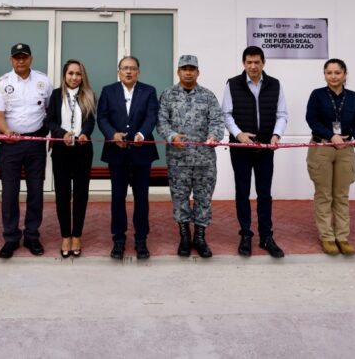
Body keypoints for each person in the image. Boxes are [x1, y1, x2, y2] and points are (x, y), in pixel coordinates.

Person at [221, 46, 288, 258]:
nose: (253, 66)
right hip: (241, 148)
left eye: (257, 62)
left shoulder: (275, 84)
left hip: (266, 147)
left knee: (264, 193)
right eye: (249, 62)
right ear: (243, 63)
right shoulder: (232, 84)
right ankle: (245, 235)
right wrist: (239, 134)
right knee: (242, 192)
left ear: (263, 63)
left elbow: (282, 114)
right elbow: (226, 114)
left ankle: (266, 236)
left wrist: (276, 135)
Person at [157, 55, 226, 258]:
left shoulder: (208, 96)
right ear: (178, 72)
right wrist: (172, 136)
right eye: (184, 69)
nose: (188, 72)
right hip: (178, 159)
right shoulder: (168, 95)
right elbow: (161, 122)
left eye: (192, 69)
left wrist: (214, 136)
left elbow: (217, 121)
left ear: (198, 72)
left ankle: (200, 237)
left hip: (205, 159)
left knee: (203, 199)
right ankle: (185, 237)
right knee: (180, 198)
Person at [0, 43, 52, 259]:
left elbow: (49, 110)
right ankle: (11, 237)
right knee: (9, 192)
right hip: (10, 145)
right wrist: (6, 132)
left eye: (24, 57)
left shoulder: (43, 81)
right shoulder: (2, 83)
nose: (21, 60)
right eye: (17, 57)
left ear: (31, 59)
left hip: (35, 143)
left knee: (36, 191)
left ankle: (32, 235)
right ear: (11, 60)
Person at [98, 55, 159, 260]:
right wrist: (112, 135)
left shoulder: (148, 91)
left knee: (142, 198)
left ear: (138, 71)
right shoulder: (108, 91)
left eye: (132, 68)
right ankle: (119, 239)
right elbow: (102, 117)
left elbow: (151, 116)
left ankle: (141, 239)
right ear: (119, 71)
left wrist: (142, 134)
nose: (129, 71)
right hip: (116, 153)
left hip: (142, 153)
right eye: (125, 68)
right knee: (118, 198)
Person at [304, 58, 355, 256]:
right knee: (324, 194)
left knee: (341, 194)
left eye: (337, 72)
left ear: (345, 74)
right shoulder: (317, 95)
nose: (333, 76)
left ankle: (342, 236)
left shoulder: (354, 97)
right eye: (329, 73)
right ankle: (327, 237)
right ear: (324, 75)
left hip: (346, 148)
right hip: (322, 146)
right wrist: (331, 135)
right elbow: (312, 120)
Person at [45, 59, 96, 258]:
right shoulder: (56, 95)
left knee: (81, 195)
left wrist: (85, 133)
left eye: (78, 74)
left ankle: (77, 236)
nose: (74, 77)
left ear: (83, 76)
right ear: (64, 75)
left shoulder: (89, 95)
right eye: (70, 73)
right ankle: (65, 235)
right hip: (61, 150)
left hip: (83, 150)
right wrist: (62, 133)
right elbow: (49, 121)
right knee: (63, 194)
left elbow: (91, 121)